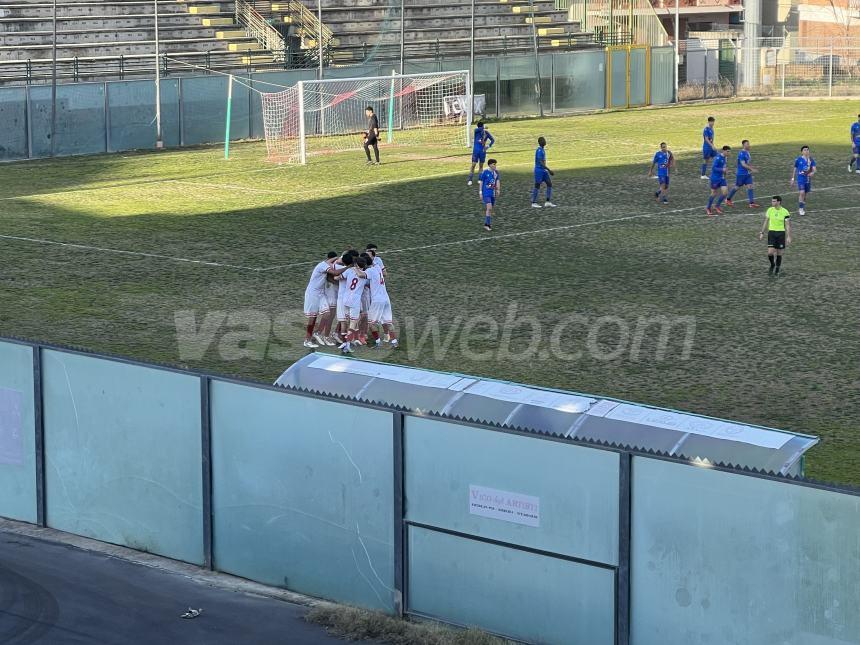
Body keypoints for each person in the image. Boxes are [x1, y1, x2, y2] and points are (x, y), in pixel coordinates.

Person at [302, 253, 348, 348]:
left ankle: (317, 333)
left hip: (321, 293)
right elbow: (335, 273)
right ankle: (307, 340)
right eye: (333, 261)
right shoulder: (323, 265)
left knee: (327, 314)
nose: (334, 263)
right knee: (312, 318)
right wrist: (348, 267)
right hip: (312, 294)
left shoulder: (326, 264)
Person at [339, 256, 370, 354]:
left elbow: (338, 277)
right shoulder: (365, 275)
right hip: (355, 300)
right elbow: (369, 284)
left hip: (346, 298)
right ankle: (347, 344)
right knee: (353, 322)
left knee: (348, 321)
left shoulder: (349, 271)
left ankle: (346, 342)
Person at [365, 261, 399, 349]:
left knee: (371, 323)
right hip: (385, 298)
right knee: (388, 322)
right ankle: (394, 342)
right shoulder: (378, 268)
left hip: (377, 300)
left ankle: (378, 342)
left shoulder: (369, 271)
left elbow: (362, 276)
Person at [758, 195, 791, 276]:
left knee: (779, 253)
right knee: (770, 253)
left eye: (774, 201)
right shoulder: (769, 210)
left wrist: (788, 236)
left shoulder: (785, 212)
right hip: (772, 233)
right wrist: (762, 232)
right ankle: (772, 263)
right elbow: (766, 221)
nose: (772, 202)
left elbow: (787, 225)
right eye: (772, 201)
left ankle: (777, 267)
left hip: (781, 233)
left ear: (778, 202)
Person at [726, 139, 759, 208]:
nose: (749, 145)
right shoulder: (741, 153)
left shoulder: (747, 153)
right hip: (741, 174)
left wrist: (753, 167)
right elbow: (743, 164)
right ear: (743, 145)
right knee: (737, 187)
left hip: (747, 174)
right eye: (747, 144)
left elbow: (747, 163)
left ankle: (751, 203)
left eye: (749, 144)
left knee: (750, 186)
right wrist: (752, 169)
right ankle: (728, 199)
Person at [467, 121, 495, 186]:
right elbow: (477, 129)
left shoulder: (486, 133)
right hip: (476, 151)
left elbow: (493, 140)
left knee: (481, 165)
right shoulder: (477, 131)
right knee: (473, 164)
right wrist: (484, 127)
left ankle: (479, 179)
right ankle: (470, 179)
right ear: (481, 126)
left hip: (482, 151)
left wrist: (488, 146)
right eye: (482, 126)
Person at [706, 145, 731, 217]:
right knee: (714, 193)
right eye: (727, 151)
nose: (729, 153)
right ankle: (708, 208)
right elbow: (714, 168)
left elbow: (724, 167)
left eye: (729, 152)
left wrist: (725, 173)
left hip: (722, 178)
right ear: (723, 151)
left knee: (725, 192)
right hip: (715, 178)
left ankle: (717, 206)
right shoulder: (717, 158)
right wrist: (722, 170)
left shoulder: (725, 158)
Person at [790, 145, 816, 215]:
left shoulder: (811, 160)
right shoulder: (798, 159)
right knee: (802, 192)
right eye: (804, 150)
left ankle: (802, 206)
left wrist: (812, 172)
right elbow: (795, 169)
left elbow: (814, 168)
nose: (806, 151)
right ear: (802, 152)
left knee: (805, 194)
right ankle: (801, 209)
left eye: (807, 150)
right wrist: (792, 178)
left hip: (807, 179)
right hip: (800, 178)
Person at [531, 136, 556, 208]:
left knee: (549, 184)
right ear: (540, 142)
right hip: (539, 171)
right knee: (537, 185)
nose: (544, 141)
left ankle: (547, 201)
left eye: (544, 140)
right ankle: (533, 202)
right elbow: (541, 162)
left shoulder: (542, 150)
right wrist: (549, 170)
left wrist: (546, 170)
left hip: (543, 171)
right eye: (543, 140)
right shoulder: (539, 150)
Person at [479, 158, 500, 231]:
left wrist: (498, 190)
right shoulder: (485, 172)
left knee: (490, 209)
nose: (495, 166)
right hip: (486, 193)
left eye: (495, 164)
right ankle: (487, 225)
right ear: (490, 165)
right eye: (494, 164)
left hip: (492, 193)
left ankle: (487, 223)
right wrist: (480, 192)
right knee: (489, 207)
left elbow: (497, 181)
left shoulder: (496, 173)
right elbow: (481, 182)